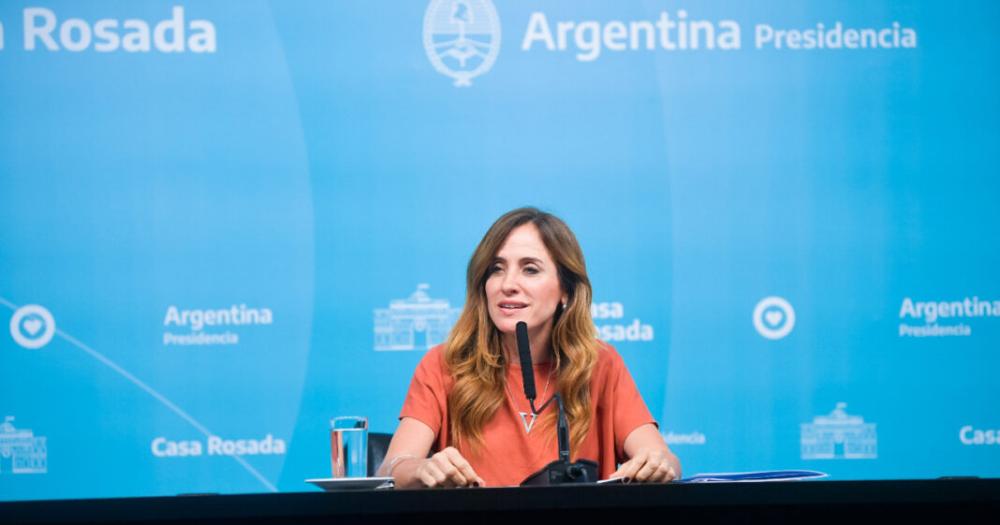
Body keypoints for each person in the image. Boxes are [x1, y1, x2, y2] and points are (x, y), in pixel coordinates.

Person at [378, 207, 680, 488]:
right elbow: (391, 468)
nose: (507, 284)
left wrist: (657, 464)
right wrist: (421, 469)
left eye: (530, 269)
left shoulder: (599, 363)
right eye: (496, 269)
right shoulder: (445, 363)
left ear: (565, 290)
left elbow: (663, 458)